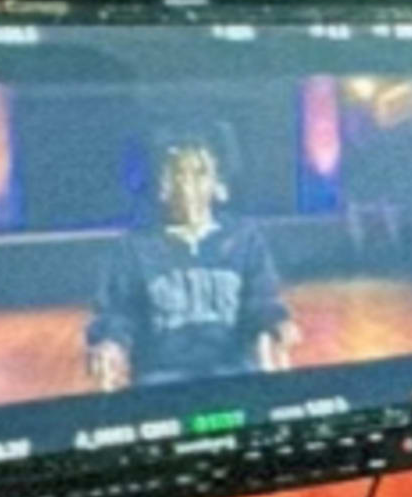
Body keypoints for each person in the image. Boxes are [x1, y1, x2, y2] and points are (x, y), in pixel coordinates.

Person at [83, 124, 297, 390]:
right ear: (163, 185)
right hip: (161, 380)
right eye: (177, 174)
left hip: (233, 373)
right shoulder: (134, 247)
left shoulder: (244, 238)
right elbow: (118, 312)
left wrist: (276, 322)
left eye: (199, 174)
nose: (187, 186)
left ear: (218, 184)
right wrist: (109, 343)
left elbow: (261, 299)